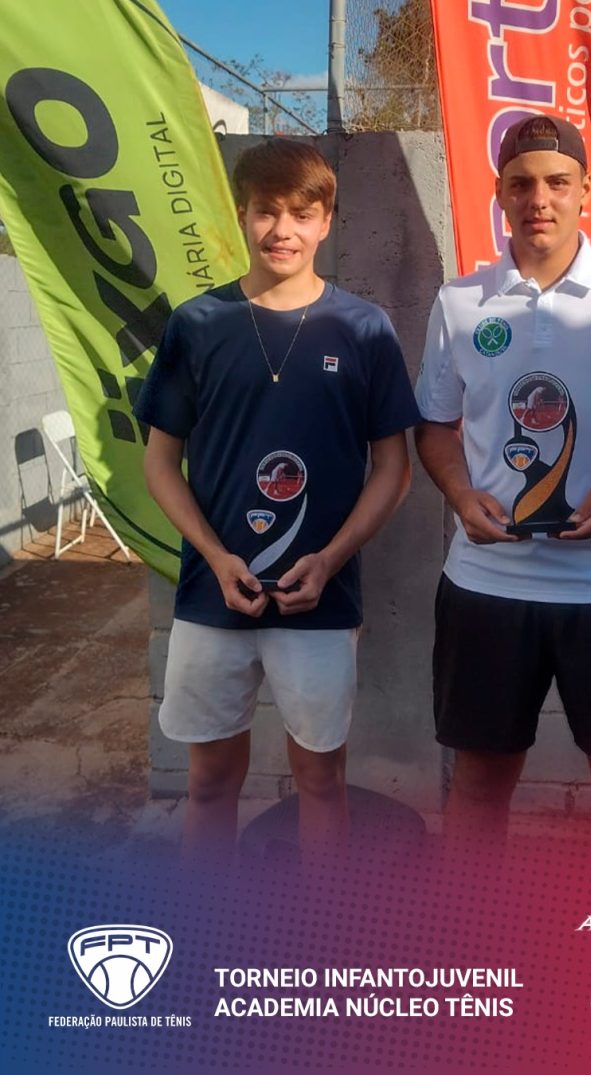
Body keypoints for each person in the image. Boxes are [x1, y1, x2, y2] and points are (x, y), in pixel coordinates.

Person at [414, 115, 591, 844]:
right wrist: (460, 494)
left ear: (585, 191)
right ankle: (477, 924)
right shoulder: (460, 301)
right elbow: (435, 428)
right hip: (488, 585)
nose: (538, 199)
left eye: (556, 182)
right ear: (499, 195)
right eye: (520, 184)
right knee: (478, 787)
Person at [135, 139, 420, 864]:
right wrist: (214, 556)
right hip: (213, 595)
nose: (282, 229)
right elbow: (160, 463)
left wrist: (329, 559)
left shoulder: (363, 328)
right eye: (266, 211)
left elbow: (394, 468)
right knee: (209, 783)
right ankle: (208, 916)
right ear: (242, 215)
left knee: (321, 781)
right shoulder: (197, 323)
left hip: (318, 600)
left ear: (326, 221)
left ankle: (317, 922)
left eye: (301, 213)